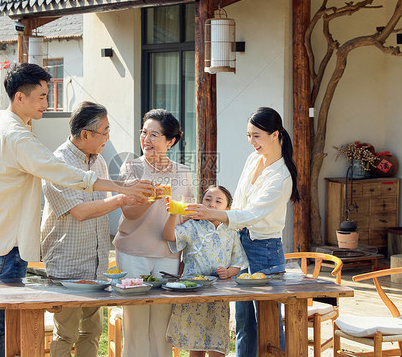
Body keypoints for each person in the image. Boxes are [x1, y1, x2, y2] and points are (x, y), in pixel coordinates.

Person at [0, 63, 153, 357]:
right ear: (20, 98)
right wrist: (122, 190)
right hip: (5, 242)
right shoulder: (19, 137)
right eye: (41, 97)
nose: (47, 104)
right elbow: (59, 171)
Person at [185, 107, 300, 357]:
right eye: (248, 135)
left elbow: (252, 214)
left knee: (268, 323)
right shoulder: (253, 160)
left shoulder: (281, 177)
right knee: (243, 322)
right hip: (241, 243)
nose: (251, 142)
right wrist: (218, 224)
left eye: (256, 136)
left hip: (265, 250)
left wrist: (212, 214)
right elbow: (239, 204)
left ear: (274, 135)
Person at [40, 101, 142, 357]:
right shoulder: (57, 163)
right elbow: (80, 212)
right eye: (105, 132)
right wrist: (122, 197)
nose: (108, 137)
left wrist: (126, 193)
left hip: (96, 264)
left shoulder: (99, 163)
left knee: (92, 332)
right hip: (67, 265)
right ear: (86, 134)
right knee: (66, 335)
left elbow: (101, 206)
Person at [113, 109, 194, 357]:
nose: (146, 139)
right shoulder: (132, 168)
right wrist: (150, 198)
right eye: (144, 133)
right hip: (133, 252)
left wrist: (186, 259)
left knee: (162, 325)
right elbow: (129, 212)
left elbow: (188, 218)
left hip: (168, 254)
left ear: (170, 141)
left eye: (154, 135)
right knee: (136, 324)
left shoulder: (182, 173)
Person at [163, 186, 247, 357]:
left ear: (227, 209)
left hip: (219, 295)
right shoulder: (193, 226)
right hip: (193, 291)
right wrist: (173, 215)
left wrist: (228, 272)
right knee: (197, 344)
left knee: (217, 343)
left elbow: (238, 263)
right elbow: (169, 236)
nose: (212, 204)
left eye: (218, 201)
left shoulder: (230, 231)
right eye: (207, 199)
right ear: (201, 203)